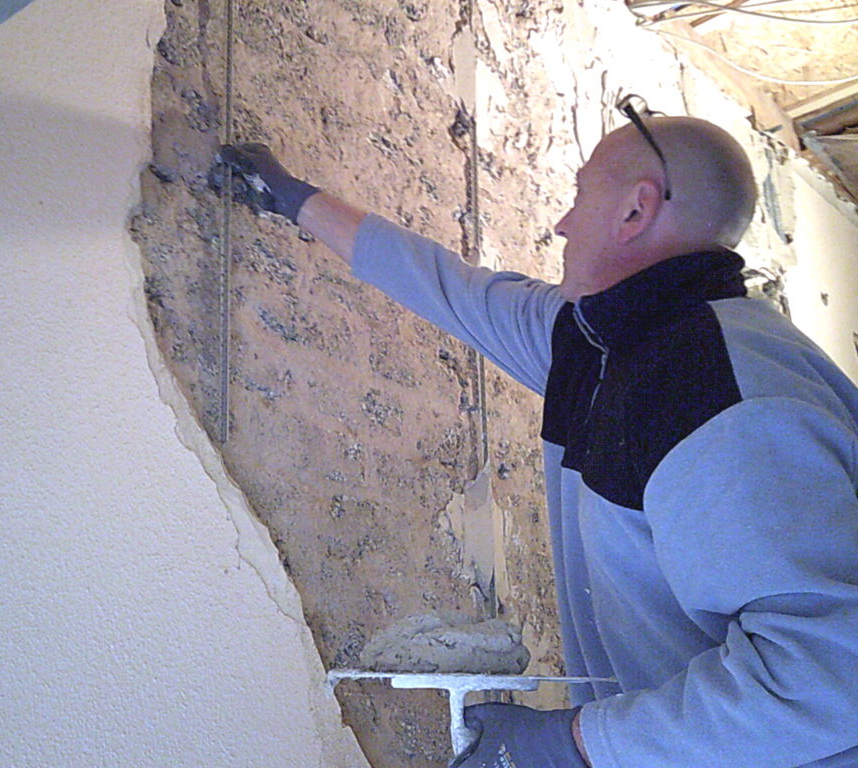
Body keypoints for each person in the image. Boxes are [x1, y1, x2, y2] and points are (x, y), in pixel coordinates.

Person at [215, 103, 858, 767]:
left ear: (636, 211)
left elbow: (834, 670)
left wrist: (575, 743)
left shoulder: (720, 395)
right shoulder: (603, 347)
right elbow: (454, 292)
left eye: (579, 197)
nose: (561, 224)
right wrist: (295, 200)